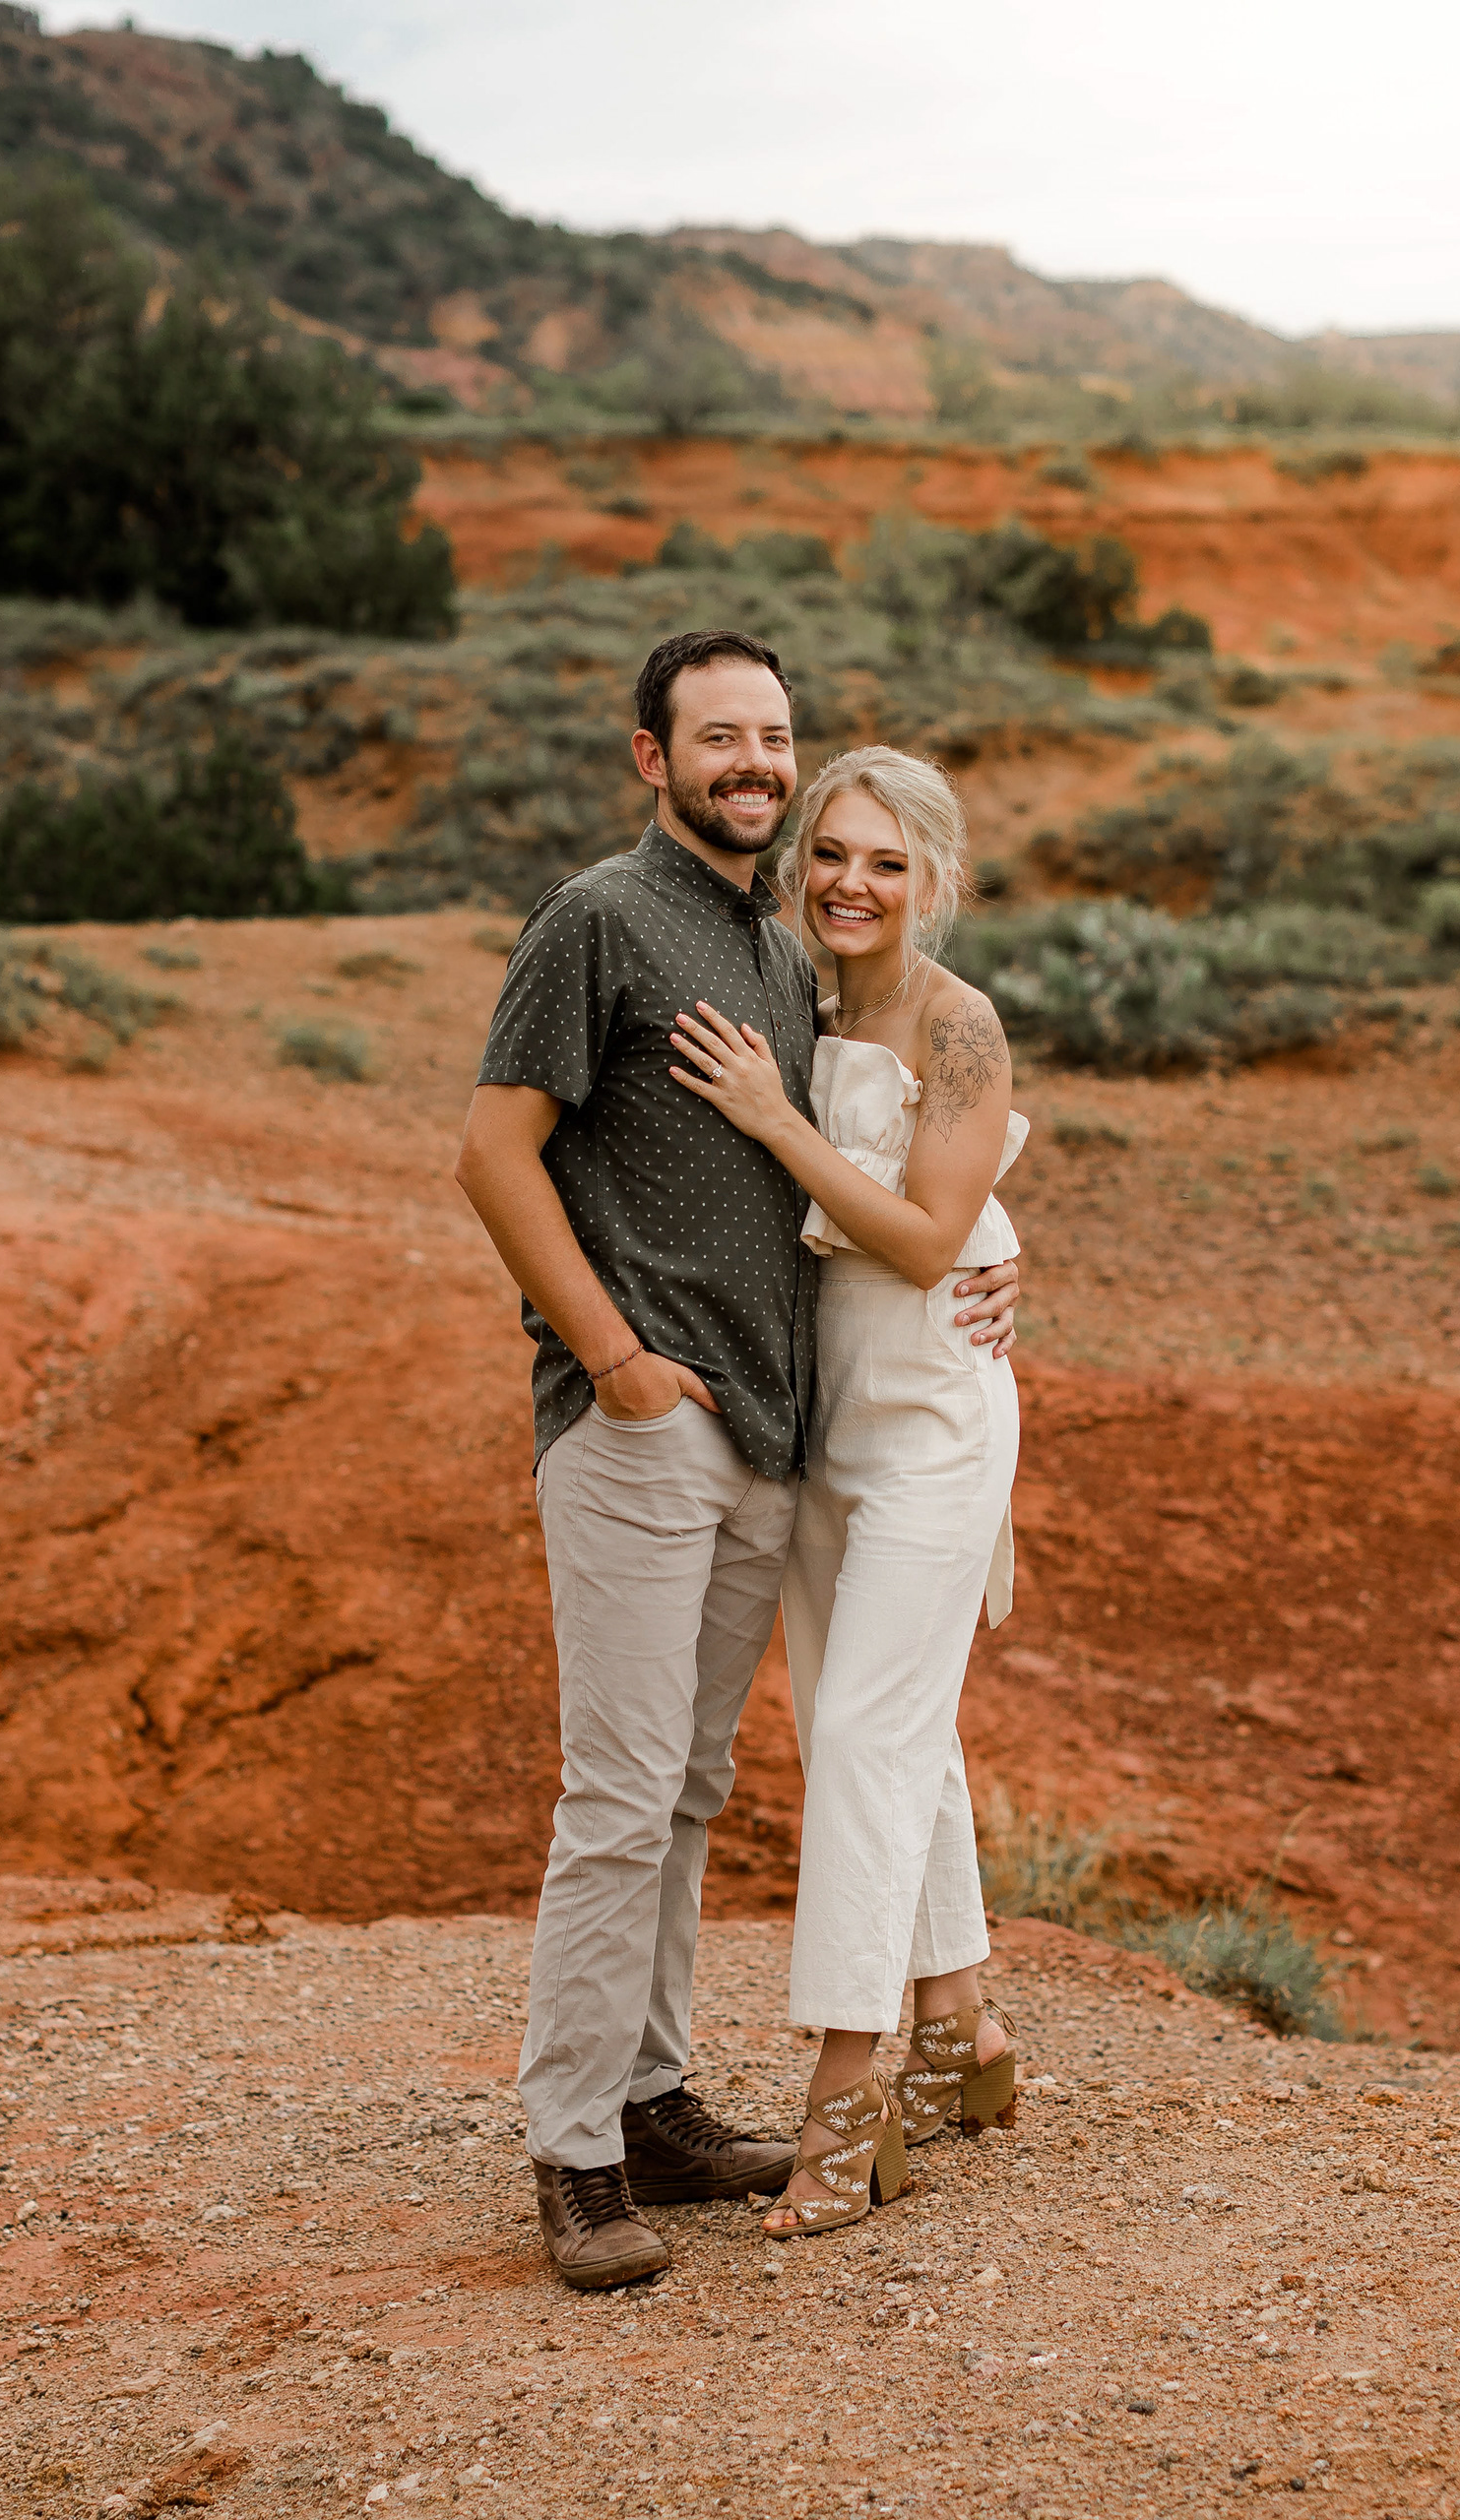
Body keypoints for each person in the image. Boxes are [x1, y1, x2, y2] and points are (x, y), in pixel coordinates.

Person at [453, 631, 1023, 2291]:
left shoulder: (786, 956)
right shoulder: (597, 919)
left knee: (688, 1791)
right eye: (720, 738)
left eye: (774, 736)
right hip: (648, 1425)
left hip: (782, 1434)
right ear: (655, 756)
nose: (755, 765)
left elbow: (896, 1167)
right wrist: (614, 1364)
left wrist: (998, 1253)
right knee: (622, 1794)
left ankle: (650, 2105)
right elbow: (492, 1153)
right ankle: (576, 2153)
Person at [659, 744, 1028, 2237]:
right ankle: (964, 2031)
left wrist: (778, 1121)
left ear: (934, 880)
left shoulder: (960, 1022)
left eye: (887, 862)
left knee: (868, 1733)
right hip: (821, 1414)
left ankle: (845, 2101)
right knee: (873, 1722)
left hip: (936, 1411)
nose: (851, 884)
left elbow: (932, 1240)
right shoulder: (791, 1006)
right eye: (830, 854)